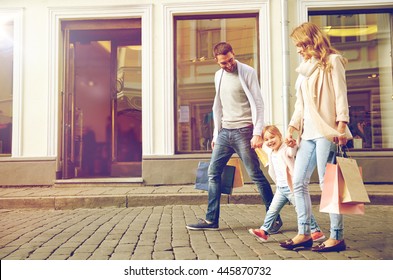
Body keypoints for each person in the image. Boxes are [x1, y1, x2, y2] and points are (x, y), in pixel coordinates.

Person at [186, 42, 282, 231]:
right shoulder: (218, 75)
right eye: (223, 63)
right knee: (213, 173)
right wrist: (216, 134)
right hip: (224, 132)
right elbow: (218, 105)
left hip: (244, 131)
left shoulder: (247, 71)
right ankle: (211, 220)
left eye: (230, 60)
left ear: (233, 54)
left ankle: (274, 220)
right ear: (217, 61)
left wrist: (257, 133)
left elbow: (259, 104)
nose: (228, 65)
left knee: (255, 175)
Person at [280, 22, 352, 252]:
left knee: (327, 183)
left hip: (326, 131)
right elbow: (300, 104)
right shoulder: (305, 69)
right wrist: (292, 127)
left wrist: (341, 126)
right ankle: (305, 233)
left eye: (300, 45)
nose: (299, 50)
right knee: (298, 181)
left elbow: (341, 95)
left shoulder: (333, 61)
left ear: (312, 41)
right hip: (307, 134)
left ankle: (337, 236)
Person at [248, 125, 325, 242]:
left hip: (291, 187)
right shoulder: (271, 152)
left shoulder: (285, 149)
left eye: (272, 137)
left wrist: (291, 145)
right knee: (272, 210)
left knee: (301, 208)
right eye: (267, 139)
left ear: (279, 136)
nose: (270, 141)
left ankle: (316, 231)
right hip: (280, 189)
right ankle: (264, 231)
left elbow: (292, 152)